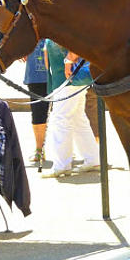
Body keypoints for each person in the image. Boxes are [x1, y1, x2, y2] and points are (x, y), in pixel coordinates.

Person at [41, 40, 99, 178]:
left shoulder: (59, 24)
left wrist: (68, 60)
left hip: (67, 80)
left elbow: (79, 45)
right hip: (69, 80)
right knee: (79, 120)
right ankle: (92, 160)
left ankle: (62, 166)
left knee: (61, 121)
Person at [24, 40, 49, 165]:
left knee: (65, 115)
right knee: (38, 113)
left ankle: (67, 150)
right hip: (36, 75)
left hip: (59, 73)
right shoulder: (27, 22)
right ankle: (39, 149)